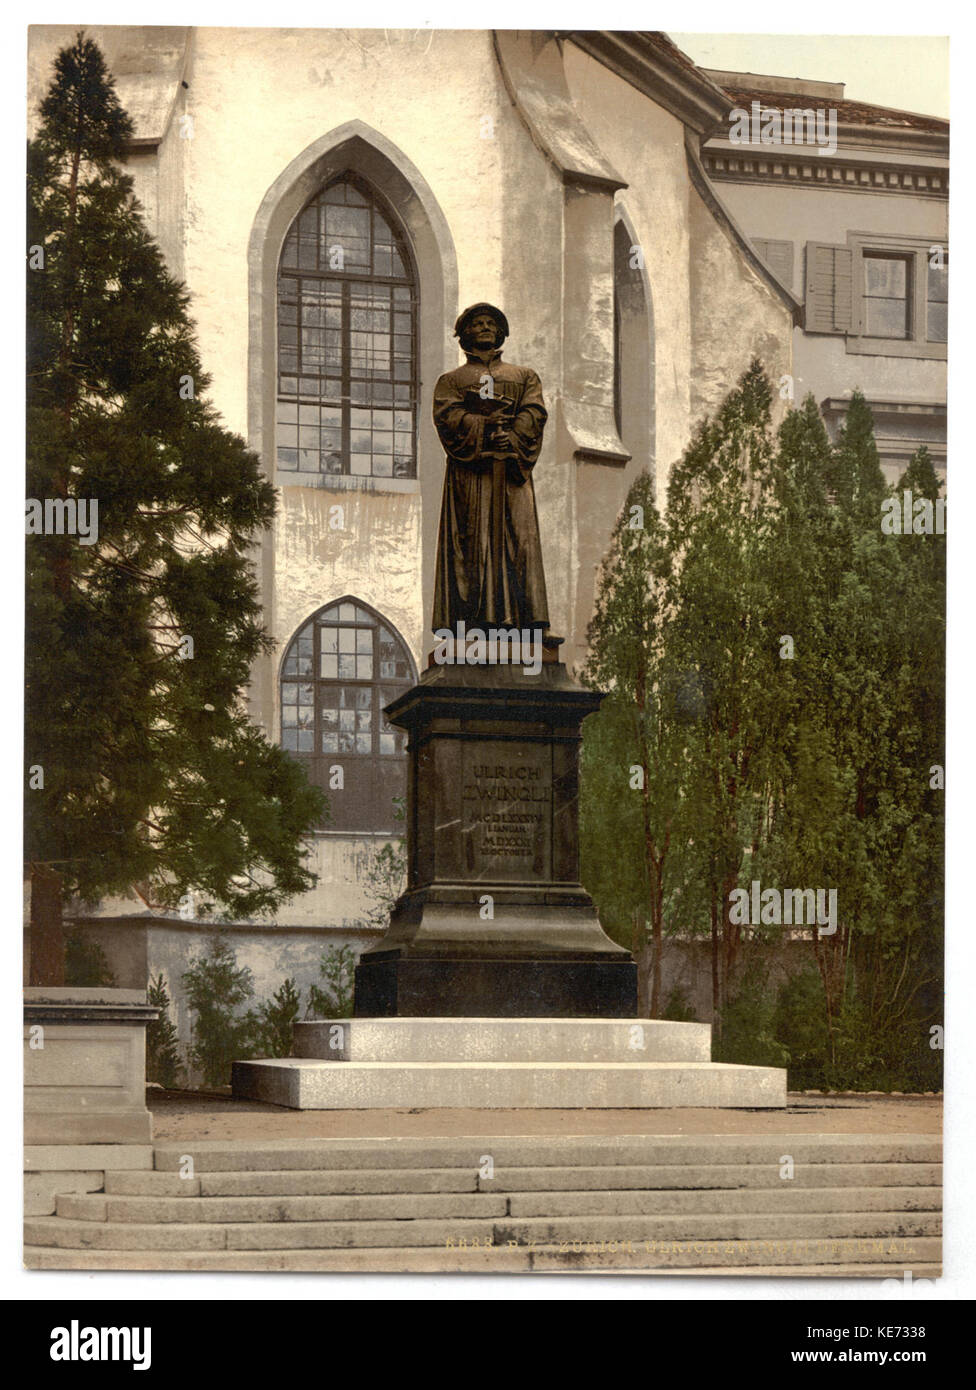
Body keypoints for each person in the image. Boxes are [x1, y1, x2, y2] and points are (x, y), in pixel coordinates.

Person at [432, 303, 550, 633]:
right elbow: (447, 417)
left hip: (512, 472)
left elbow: (535, 412)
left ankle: (524, 621)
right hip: (472, 475)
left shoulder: (524, 376)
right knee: (473, 542)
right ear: (464, 334)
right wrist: (483, 425)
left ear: (500, 333)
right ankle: (476, 622)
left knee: (520, 540)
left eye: (491, 323)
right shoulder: (452, 381)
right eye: (476, 323)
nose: (484, 327)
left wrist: (511, 438)